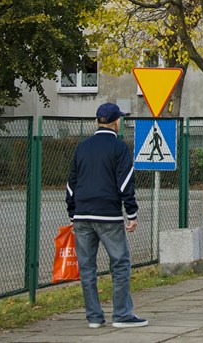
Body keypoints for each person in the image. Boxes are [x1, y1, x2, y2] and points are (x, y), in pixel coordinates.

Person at [66, 102, 148, 329]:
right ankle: (121, 314)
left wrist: (73, 212)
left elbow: (71, 184)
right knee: (120, 263)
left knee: (87, 267)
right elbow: (124, 184)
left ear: (96, 121)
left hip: (82, 215)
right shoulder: (120, 148)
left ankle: (94, 316)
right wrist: (131, 214)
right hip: (108, 215)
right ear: (116, 122)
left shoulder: (82, 147)